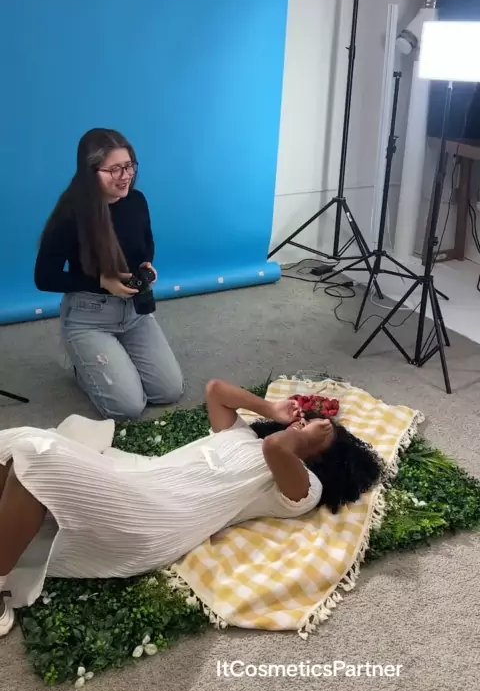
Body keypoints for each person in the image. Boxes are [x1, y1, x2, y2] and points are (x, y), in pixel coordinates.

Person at [0, 379, 382, 636]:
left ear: (327, 458)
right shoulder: (242, 436)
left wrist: (304, 438)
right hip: (132, 482)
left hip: (155, 519)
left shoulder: (305, 487)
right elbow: (216, 390)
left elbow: (277, 448)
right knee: (21, 444)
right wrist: (270, 409)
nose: (310, 423)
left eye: (322, 431)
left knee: (38, 456)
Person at [34, 128, 183, 421]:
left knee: (168, 391)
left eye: (129, 166)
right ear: (91, 173)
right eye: (114, 169)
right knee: (128, 408)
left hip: (135, 312)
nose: (125, 176)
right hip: (89, 316)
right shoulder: (70, 215)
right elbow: (44, 277)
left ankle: (114, 357)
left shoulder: (137, 201)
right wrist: (102, 282)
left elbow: (147, 241)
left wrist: (147, 264)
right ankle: (81, 365)